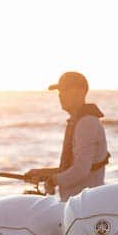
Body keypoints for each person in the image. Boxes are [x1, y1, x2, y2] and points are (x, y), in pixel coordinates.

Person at [25, 71, 109, 201]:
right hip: (76, 206)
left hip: (85, 208)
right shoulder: (78, 121)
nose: (60, 96)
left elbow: (80, 171)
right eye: (59, 92)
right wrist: (42, 173)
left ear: (79, 92)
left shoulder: (87, 123)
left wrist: (53, 181)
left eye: (64, 90)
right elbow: (71, 168)